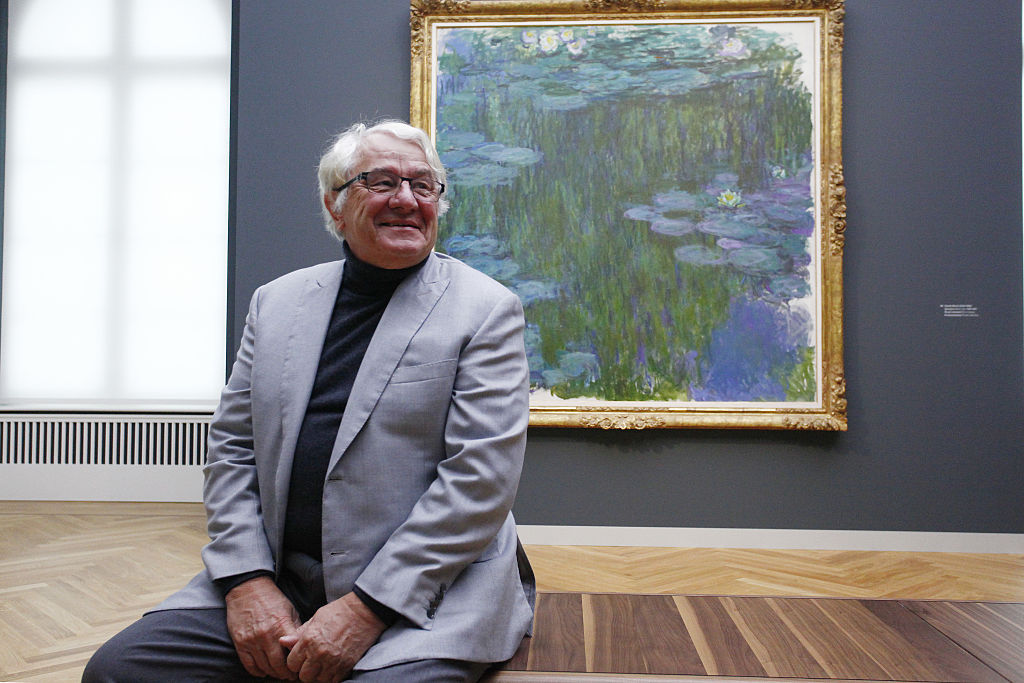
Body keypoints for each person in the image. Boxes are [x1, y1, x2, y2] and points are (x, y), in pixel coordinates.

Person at [83, 120, 535, 683]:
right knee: (119, 672)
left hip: (423, 592)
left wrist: (364, 608)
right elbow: (232, 451)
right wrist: (246, 582)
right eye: (382, 181)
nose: (406, 199)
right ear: (335, 203)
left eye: (423, 186)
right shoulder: (276, 303)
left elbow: (479, 481)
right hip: (278, 579)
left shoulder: (486, 310)